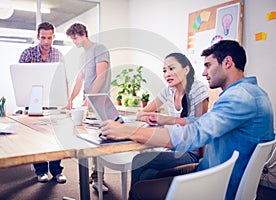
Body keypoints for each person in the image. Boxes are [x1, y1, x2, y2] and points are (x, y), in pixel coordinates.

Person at [100, 40, 275, 200]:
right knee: (145, 172)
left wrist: (128, 131)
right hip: (211, 169)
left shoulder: (240, 97)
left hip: (219, 181)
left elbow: (193, 134)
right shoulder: (248, 93)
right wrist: (165, 119)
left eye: (208, 65)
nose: (204, 72)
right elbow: (204, 122)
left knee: (140, 190)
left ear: (227, 62)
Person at [132, 52, 209, 186]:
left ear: (186, 69)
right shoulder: (169, 91)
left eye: (171, 68)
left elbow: (200, 127)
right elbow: (142, 113)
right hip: (172, 148)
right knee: (146, 174)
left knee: (139, 160)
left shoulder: (198, 89)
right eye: (164, 70)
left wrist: (203, 165)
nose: (167, 74)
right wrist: (150, 117)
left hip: (190, 153)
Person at [65, 23, 111, 192]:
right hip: (88, 103)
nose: (74, 42)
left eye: (75, 38)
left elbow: (101, 76)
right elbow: (79, 80)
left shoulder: (99, 48)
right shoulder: (82, 57)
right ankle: (91, 178)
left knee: (99, 142)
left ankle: (98, 179)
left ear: (84, 34)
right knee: (87, 140)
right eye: (72, 39)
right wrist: (70, 100)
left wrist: (89, 100)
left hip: (100, 102)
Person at [19, 22, 66, 184]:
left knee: (55, 136)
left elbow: (63, 79)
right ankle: (41, 171)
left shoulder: (58, 55)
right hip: (34, 99)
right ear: (38, 37)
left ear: (53, 37)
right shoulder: (27, 54)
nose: (46, 41)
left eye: (50, 38)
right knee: (36, 136)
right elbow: (20, 79)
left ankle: (56, 171)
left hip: (53, 99)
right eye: (43, 38)